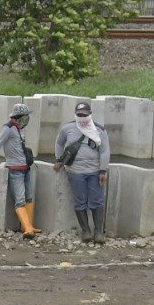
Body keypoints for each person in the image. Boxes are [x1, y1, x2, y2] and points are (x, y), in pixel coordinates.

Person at [55, 102, 110, 242]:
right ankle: (86, 231)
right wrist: (58, 159)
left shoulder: (99, 130)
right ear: (75, 114)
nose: (82, 117)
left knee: (97, 201)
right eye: (79, 115)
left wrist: (103, 170)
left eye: (85, 115)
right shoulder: (67, 128)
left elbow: (104, 151)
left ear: (90, 114)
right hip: (75, 171)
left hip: (94, 171)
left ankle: (98, 233)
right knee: (80, 201)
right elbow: (59, 143)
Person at [0, 105, 38, 237]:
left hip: (25, 167)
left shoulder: (19, 129)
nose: (28, 119)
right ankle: (27, 228)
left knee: (29, 198)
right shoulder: (8, 129)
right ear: (20, 117)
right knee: (20, 200)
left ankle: (28, 226)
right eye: (26, 116)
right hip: (15, 169)